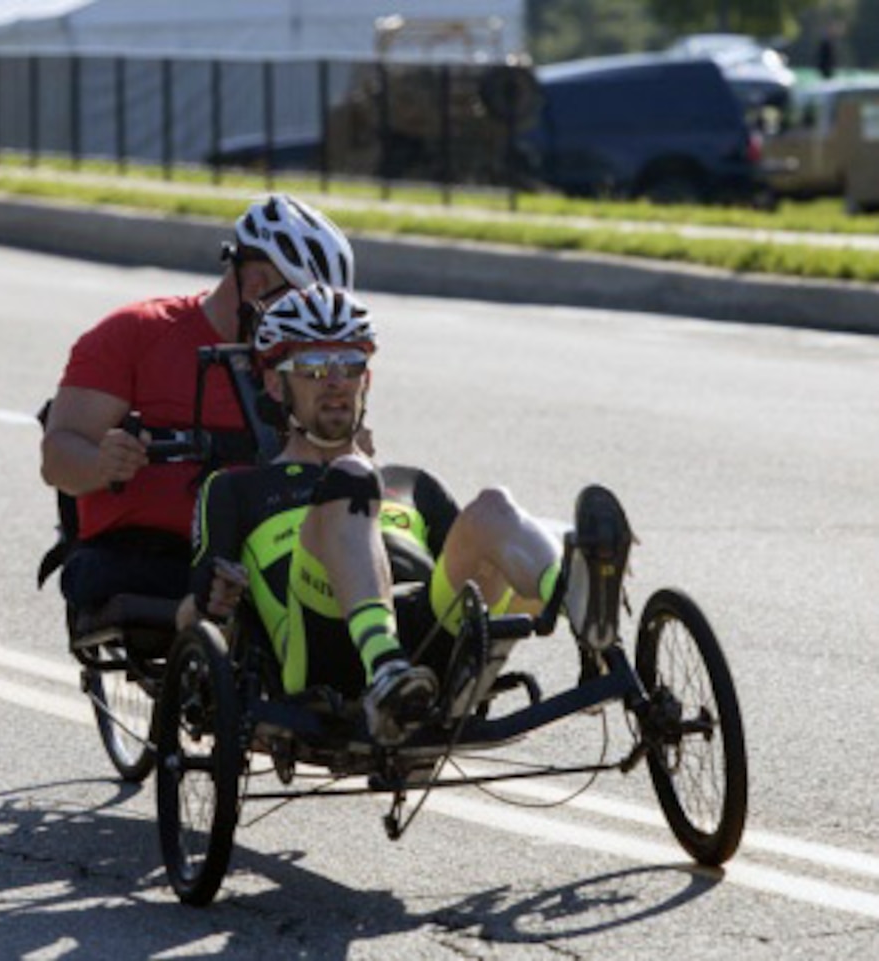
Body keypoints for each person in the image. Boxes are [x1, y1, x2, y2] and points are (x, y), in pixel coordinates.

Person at [177, 284, 634, 745]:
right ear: (276, 384)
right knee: (350, 476)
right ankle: (384, 668)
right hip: (321, 646)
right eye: (314, 367)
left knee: (492, 507)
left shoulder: (412, 484)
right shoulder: (237, 488)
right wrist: (212, 604)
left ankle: (580, 602)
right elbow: (186, 617)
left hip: (428, 644)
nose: (335, 381)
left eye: (350, 365)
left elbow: (475, 571)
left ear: (366, 381)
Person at [39, 195, 356, 609]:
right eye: (299, 306)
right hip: (147, 553)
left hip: (270, 548)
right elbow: (57, 455)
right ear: (256, 286)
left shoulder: (306, 362)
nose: (313, 325)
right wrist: (101, 462)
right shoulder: (134, 332)